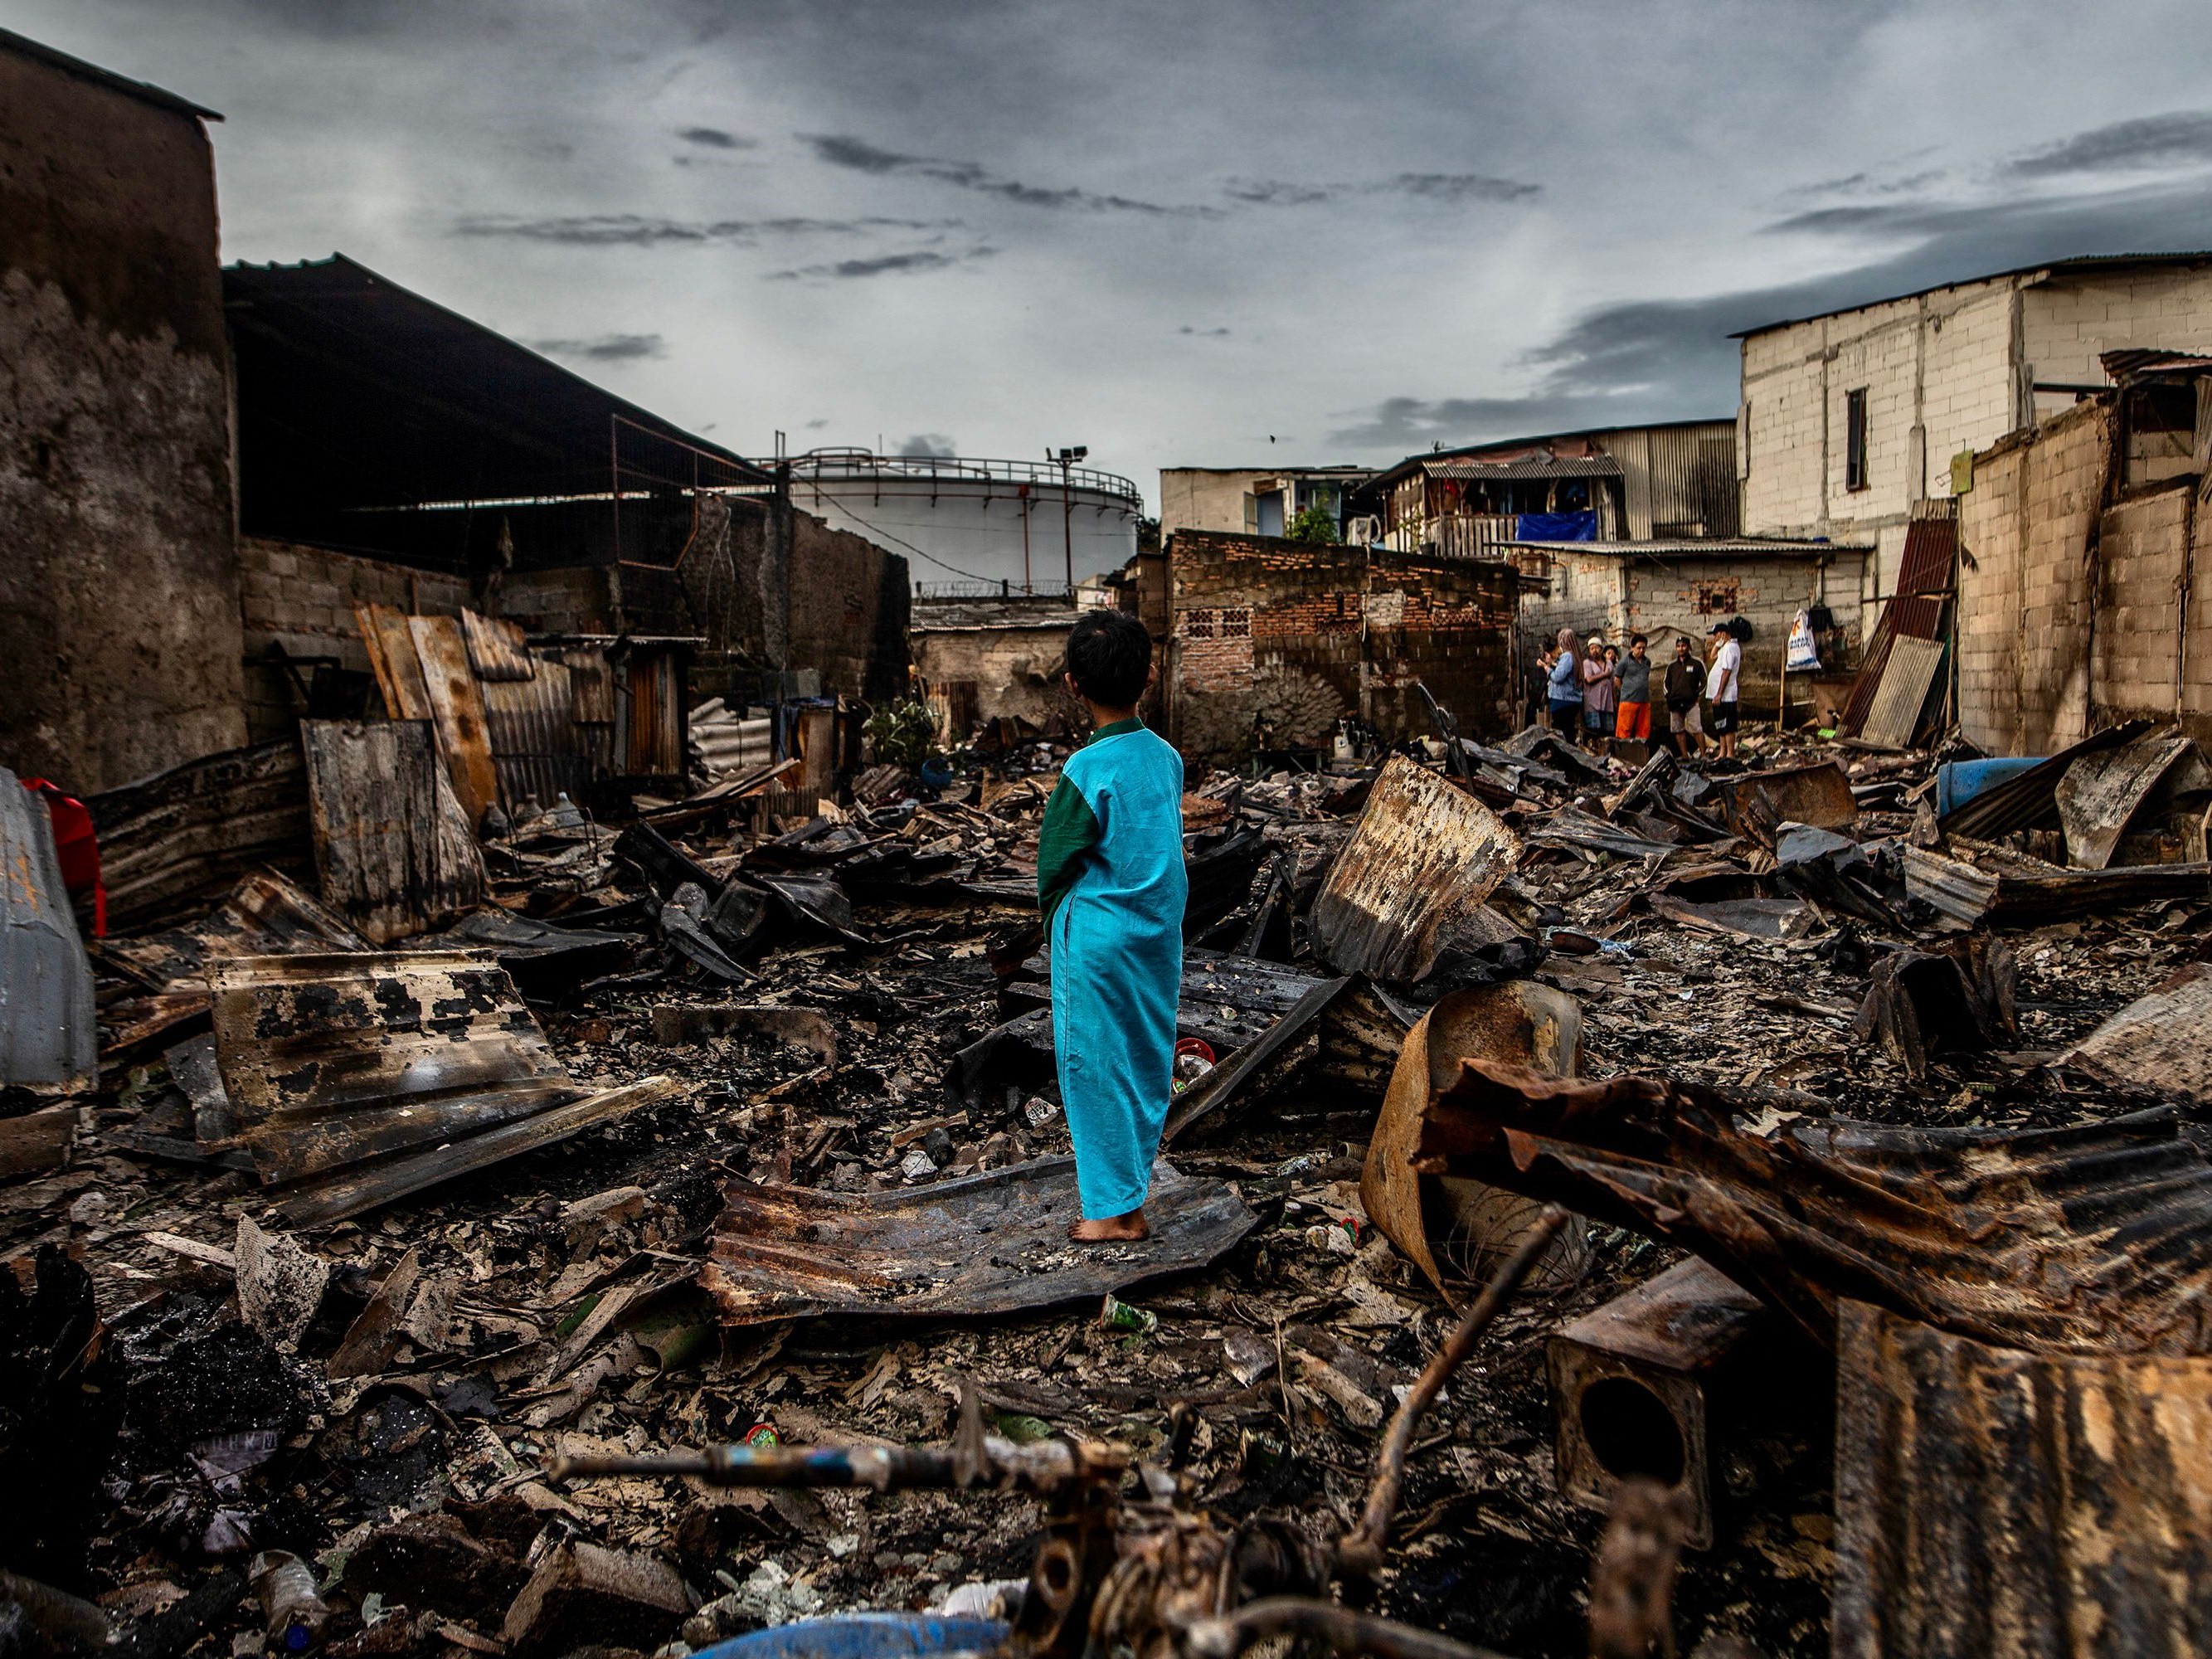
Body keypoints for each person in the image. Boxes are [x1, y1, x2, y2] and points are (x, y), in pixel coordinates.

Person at [1036, 609, 1188, 1243]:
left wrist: (1057, 930)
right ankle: (1130, 1196)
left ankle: (1110, 1214)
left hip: (1097, 940)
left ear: (1072, 684)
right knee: (1146, 1059)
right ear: (1148, 678)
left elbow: (1055, 863)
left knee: (1093, 1067)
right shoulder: (1167, 758)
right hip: (1156, 934)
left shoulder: (1083, 770)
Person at [1705, 621, 1743, 759]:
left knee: (1728, 726)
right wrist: (1718, 644)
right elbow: (1712, 656)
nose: (1714, 638)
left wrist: (1720, 693)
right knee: (1720, 724)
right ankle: (1722, 753)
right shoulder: (1725, 647)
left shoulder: (1730, 648)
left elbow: (1726, 672)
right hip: (1718, 695)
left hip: (1726, 695)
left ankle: (1730, 754)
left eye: (1716, 635)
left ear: (1722, 634)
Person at [1663, 636, 1703, 755]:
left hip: (1692, 702)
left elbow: (1704, 682)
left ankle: (1704, 755)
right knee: (1678, 730)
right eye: (1679, 646)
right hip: (1675, 702)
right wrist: (1669, 697)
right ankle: (1685, 755)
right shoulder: (1671, 666)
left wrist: (1696, 695)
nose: (1681, 648)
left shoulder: (1697, 663)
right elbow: (1666, 683)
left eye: (1684, 646)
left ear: (1689, 647)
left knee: (1697, 729)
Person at [1582, 635, 1617, 754]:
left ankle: (1606, 754)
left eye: (1596, 648)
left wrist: (1615, 701)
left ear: (1601, 649)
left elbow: (1612, 683)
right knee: (1594, 730)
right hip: (1593, 701)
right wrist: (1604, 675)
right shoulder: (1587, 663)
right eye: (1591, 649)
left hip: (1607, 702)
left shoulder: (1609, 663)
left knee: (1607, 731)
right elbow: (1589, 680)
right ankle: (1594, 754)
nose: (1594, 651)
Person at [1615, 635, 1653, 747]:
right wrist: (1625, 691)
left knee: (1643, 730)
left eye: (1643, 648)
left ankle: (1640, 752)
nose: (1641, 650)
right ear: (1632, 648)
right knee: (1624, 729)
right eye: (1639, 648)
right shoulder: (1624, 662)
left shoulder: (1647, 662)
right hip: (1628, 701)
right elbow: (1617, 679)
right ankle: (1623, 751)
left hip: (1644, 701)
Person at [1544, 626, 1582, 738]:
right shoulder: (1576, 656)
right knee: (1569, 731)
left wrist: (1547, 669)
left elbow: (1558, 677)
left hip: (1563, 701)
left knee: (1562, 734)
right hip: (1572, 701)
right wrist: (1552, 663)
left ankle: (1563, 755)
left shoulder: (1567, 656)